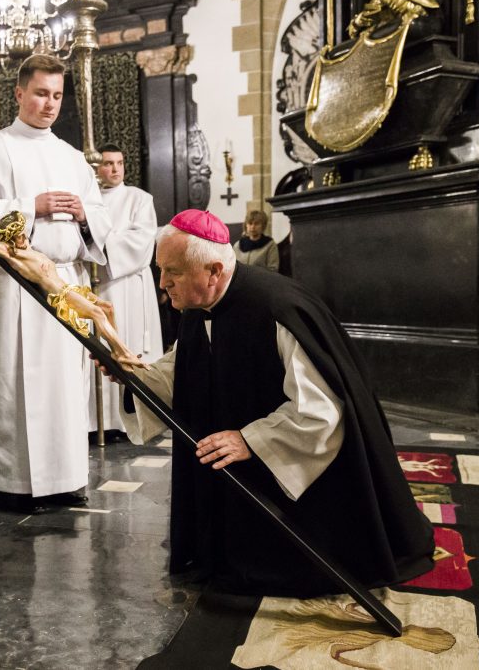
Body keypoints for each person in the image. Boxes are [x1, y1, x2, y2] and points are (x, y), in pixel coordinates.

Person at [123, 209, 434, 597]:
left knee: (294, 566)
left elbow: (319, 411)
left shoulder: (275, 309)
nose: (162, 283)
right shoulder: (197, 306)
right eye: (160, 269)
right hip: (234, 491)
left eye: (173, 272)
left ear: (214, 271)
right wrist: (134, 379)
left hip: (308, 497)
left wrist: (250, 440)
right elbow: (183, 368)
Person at [0, 53, 110, 513]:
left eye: (58, 95)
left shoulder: (72, 157)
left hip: (66, 280)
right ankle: (14, 483)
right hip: (17, 283)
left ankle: (66, 477)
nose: (50, 104)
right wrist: (32, 207)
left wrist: (86, 215)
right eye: (41, 93)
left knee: (65, 388)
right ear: (19, 93)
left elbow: (101, 220)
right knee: (16, 383)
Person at [0, 208, 145, 370]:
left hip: (69, 288)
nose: (22, 238)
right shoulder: (16, 257)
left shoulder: (32, 250)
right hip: (61, 296)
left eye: (22, 233)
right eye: (17, 236)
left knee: (106, 307)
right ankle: (123, 354)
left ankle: (117, 350)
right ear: (11, 240)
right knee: (97, 313)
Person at [89, 143, 163, 443]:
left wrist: (101, 241)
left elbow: (143, 241)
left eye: (119, 162)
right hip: (100, 287)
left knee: (128, 345)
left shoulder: (139, 199)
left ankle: (132, 421)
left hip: (130, 287)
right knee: (101, 353)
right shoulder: (89, 201)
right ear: (97, 168)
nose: (115, 169)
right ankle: (100, 422)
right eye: (108, 163)